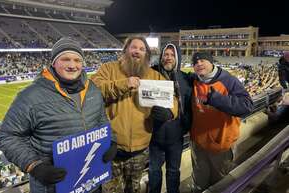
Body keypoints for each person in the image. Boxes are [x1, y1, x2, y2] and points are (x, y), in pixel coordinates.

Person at [0, 37, 116, 193]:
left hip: (91, 181)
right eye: (65, 59)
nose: (72, 65)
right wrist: (34, 166)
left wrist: (111, 141)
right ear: (53, 62)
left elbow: (101, 119)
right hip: (53, 186)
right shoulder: (30, 96)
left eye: (77, 60)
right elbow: (9, 136)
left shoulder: (92, 89)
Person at [91, 36, 178, 193]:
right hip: (111, 149)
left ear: (146, 55)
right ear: (126, 50)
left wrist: (169, 112)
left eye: (142, 49)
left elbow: (172, 99)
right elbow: (94, 91)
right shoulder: (108, 69)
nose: (137, 51)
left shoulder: (154, 75)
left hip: (140, 150)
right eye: (134, 47)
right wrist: (125, 84)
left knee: (135, 189)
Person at [190, 51, 253, 193]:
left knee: (219, 184)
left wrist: (216, 99)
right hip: (198, 144)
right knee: (198, 182)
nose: (199, 64)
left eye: (203, 60)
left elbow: (247, 106)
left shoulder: (229, 80)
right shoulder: (194, 79)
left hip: (221, 145)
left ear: (211, 62)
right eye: (195, 62)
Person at [148, 43, 193, 193]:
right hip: (154, 136)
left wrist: (184, 126)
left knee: (173, 172)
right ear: (161, 57)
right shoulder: (151, 73)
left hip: (175, 137)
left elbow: (188, 106)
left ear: (177, 58)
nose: (168, 58)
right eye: (166, 55)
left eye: (172, 55)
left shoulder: (185, 79)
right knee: (154, 172)